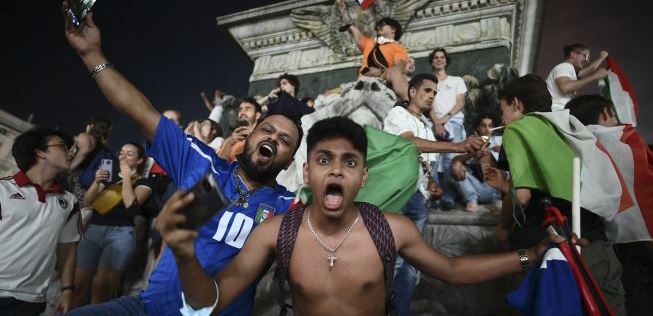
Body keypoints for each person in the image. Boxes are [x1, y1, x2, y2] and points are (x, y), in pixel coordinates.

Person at [158, 116, 565, 316]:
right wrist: (184, 254)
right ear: (307, 173)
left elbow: (453, 270)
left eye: (349, 161)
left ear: (363, 176)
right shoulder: (276, 231)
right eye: (324, 160)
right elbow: (208, 303)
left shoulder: (391, 228)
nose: (335, 169)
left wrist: (534, 253)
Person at [62, 2, 302, 315]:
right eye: (267, 129)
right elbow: (140, 111)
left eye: (285, 141)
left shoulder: (289, 207)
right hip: (148, 309)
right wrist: (91, 55)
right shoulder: (201, 161)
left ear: (288, 162)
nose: (273, 138)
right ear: (249, 135)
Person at [483, 75, 626, 314]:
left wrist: (503, 226)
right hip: (596, 242)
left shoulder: (518, 128)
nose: (502, 119)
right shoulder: (568, 125)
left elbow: (522, 195)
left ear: (516, 104)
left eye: (503, 110)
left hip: (552, 246)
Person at [382, 74, 484, 315]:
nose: (432, 96)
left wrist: (434, 183)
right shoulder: (398, 114)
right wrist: (458, 146)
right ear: (413, 92)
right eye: (427, 90)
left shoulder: (427, 127)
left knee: (410, 264)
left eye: (435, 93)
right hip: (398, 194)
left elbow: (425, 164)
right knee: (389, 260)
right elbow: (407, 143)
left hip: (418, 198)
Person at [566, 94, 653, 314]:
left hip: (606, 244)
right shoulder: (625, 139)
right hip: (643, 238)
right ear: (606, 112)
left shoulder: (573, 148)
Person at [0, 127, 81, 315]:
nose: (70, 152)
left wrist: (67, 289)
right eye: (62, 146)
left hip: (31, 299)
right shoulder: (3, 190)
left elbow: (67, 248)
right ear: (40, 152)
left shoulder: (69, 202)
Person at [72, 142, 153, 306]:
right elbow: (87, 202)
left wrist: (126, 177)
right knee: (78, 286)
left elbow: (131, 206)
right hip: (94, 229)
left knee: (102, 289)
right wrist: (96, 182)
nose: (123, 156)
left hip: (121, 234)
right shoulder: (108, 175)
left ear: (139, 160)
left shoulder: (144, 182)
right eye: (121, 152)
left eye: (129, 154)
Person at [336, 0, 410, 100]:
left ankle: (410, 107)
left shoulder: (399, 48)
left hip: (383, 83)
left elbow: (399, 68)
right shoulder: (368, 43)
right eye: (378, 25)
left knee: (395, 72)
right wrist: (342, 6)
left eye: (383, 25)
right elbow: (350, 25)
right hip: (362, 83)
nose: (378, 27)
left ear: (393, 29)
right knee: (327, 95)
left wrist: (381, 72)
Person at [427, 47, 468, 210]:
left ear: (446, 60)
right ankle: (437, 195)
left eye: (442, 57)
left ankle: (449, 197)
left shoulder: (457, 80)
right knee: (434, 161)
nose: (439, 59)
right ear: (432, 61)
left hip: (454, 121)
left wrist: (446, 118)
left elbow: (460, 102)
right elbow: (428, 104)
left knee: (451, 159)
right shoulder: (429, 83)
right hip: (435, 124)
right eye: (435, 57)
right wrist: (436, 122)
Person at [450, 114, 503, 212]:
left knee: (493, 156)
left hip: (495, 187)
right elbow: (454, 162)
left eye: (490, 126)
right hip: (474, 186)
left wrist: (503, 153)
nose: (487, 129)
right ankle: (471, 200)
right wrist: (472, 155)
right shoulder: (468, 142)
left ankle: (497, 199)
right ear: (478, 128)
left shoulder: (500, 141)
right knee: (456, 165)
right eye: (483, 126)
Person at [545, 43, 609, 111]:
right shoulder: (565, 67)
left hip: (556, 112)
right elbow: (565, 87)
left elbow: (592, 68)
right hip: (554, 112)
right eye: (585, 56)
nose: (587, 60)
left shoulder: (570, 71)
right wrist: (595, 76)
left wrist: (601, 57)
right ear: (573, 54)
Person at [219, 97, 262, 162]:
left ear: (257, 115)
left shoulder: (262, 138)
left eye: (247, 109)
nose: (242, 112)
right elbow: (218, 165)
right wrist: (230, 144)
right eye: (240, 110)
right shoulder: (229, 140)